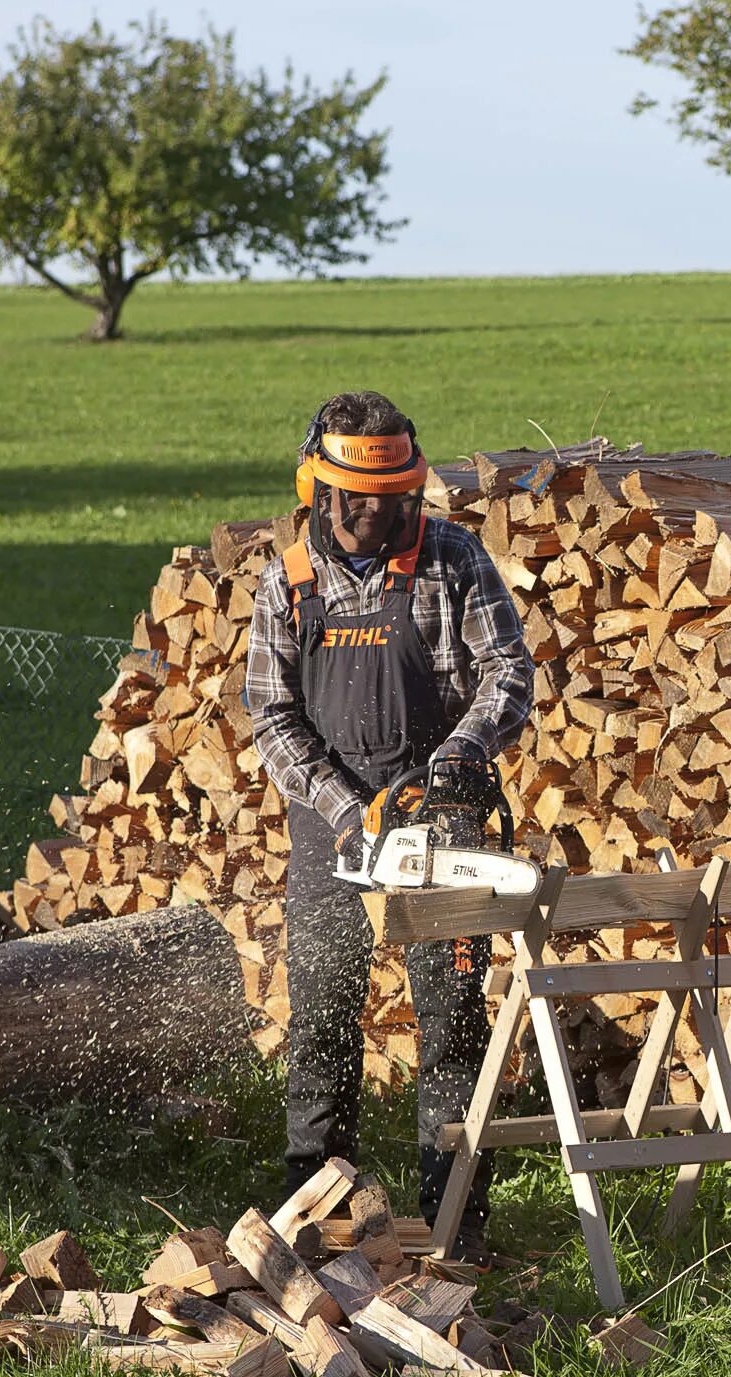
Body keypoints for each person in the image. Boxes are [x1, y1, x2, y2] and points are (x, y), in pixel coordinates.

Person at [244, 390, 534, 1256]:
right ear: (320, 495)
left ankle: (455, 1230)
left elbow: (508, 676)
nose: (380, 515)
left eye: (396, 499)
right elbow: (269, 714)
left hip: (443, 817)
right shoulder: (289, 582)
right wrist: (344, 811)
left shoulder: (452, 560)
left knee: (451, 1025)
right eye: (362, 502)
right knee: (323, 1020)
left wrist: (460, 756)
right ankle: (316, 1221)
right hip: (332, 822)